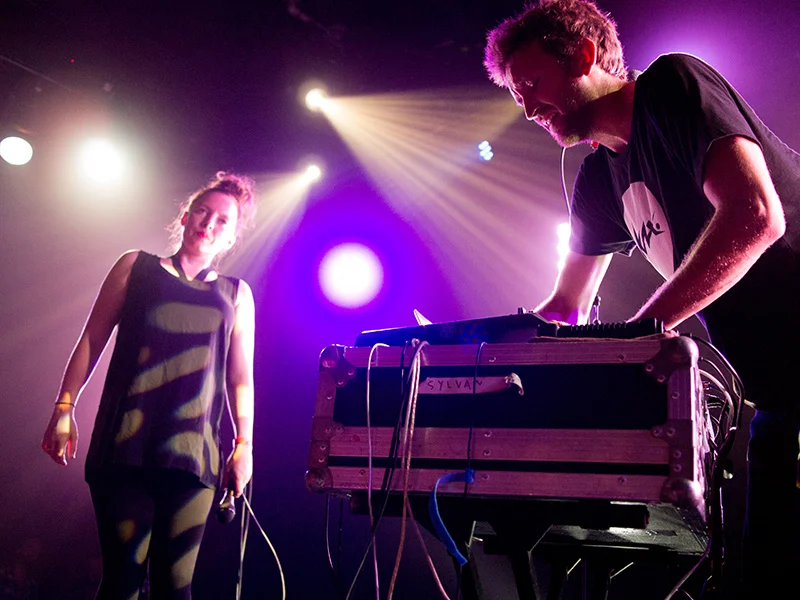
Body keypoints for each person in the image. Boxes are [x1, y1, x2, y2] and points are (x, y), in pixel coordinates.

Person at [484, 0, 799, 598]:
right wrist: (488, 350)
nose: (525, 108)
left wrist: (641, 332)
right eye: (515, 94)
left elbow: (755, 215)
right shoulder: (599, 179)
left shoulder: (673, 86)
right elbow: (566, 308)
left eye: (530, 83)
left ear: (583, 54)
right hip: (778, 391)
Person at [41, 171, 258, 599]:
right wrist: (64, 407)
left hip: (195, 457)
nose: (208, 224)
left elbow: (240, 378)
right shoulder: (135, 267)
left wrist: (243, 446)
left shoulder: (236, 295)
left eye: (222, 221)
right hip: (125, 449)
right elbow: (91, 339)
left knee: (175, 587)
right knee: (123, 581)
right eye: (202, 211)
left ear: (231, 238)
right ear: (185, 216)